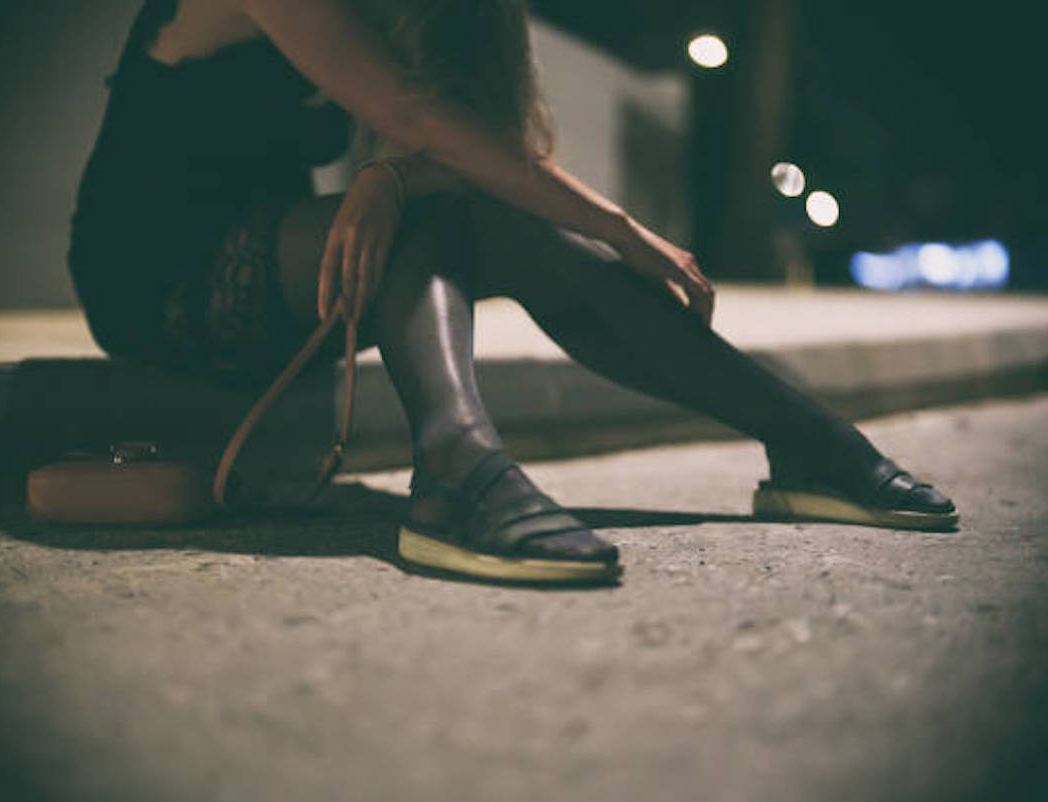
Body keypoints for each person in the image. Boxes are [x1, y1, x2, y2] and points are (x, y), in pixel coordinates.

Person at [67, 0, 957, 584]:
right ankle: (454, 471)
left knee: (501, 225)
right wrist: (624, 228)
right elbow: (421, 126)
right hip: (160, 275)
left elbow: (448, 146)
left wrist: (393, 178)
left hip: (288, 273)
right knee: (452, 217)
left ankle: (802, 440)